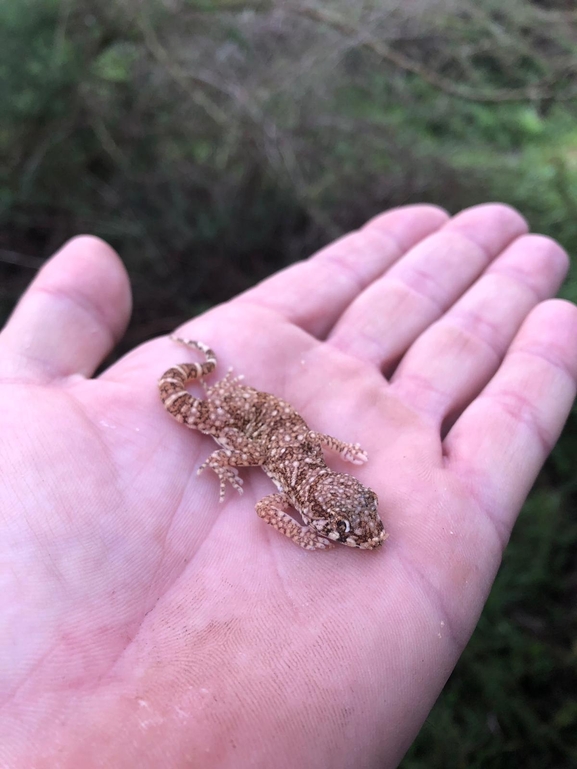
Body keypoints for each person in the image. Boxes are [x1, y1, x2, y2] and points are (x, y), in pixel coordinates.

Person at [0, 203, 575, 768]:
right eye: (353, 529)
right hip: (266, 435)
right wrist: (309, 533)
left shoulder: (332, 486)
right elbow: (270, 509)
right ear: (329, 513)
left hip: (281, 432)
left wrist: (339, 462)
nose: (368, 536)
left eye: (362, 518)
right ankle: (212, 399)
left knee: (283, 435)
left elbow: (318, 459)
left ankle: (214, 388)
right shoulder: (302, 501)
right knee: (251, 448)